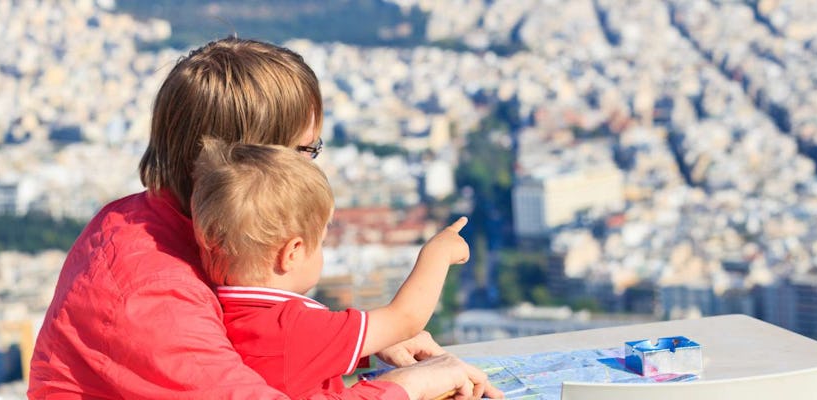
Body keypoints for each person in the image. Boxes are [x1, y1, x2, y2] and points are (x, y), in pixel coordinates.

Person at [29, 37, 499, 400]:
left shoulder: (148, 220)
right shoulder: (151, 294)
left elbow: (246, 333)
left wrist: (349, 344)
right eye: (304, 151)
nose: (313, 166)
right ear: (251, 162)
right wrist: (403, 387)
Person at [189, 139, 496, 399]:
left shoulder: (213, 314)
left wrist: (373, 347)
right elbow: (405, 318)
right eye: (321, 241)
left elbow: (290, 360)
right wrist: (437, 254)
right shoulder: (293, 325)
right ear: (292, 253)